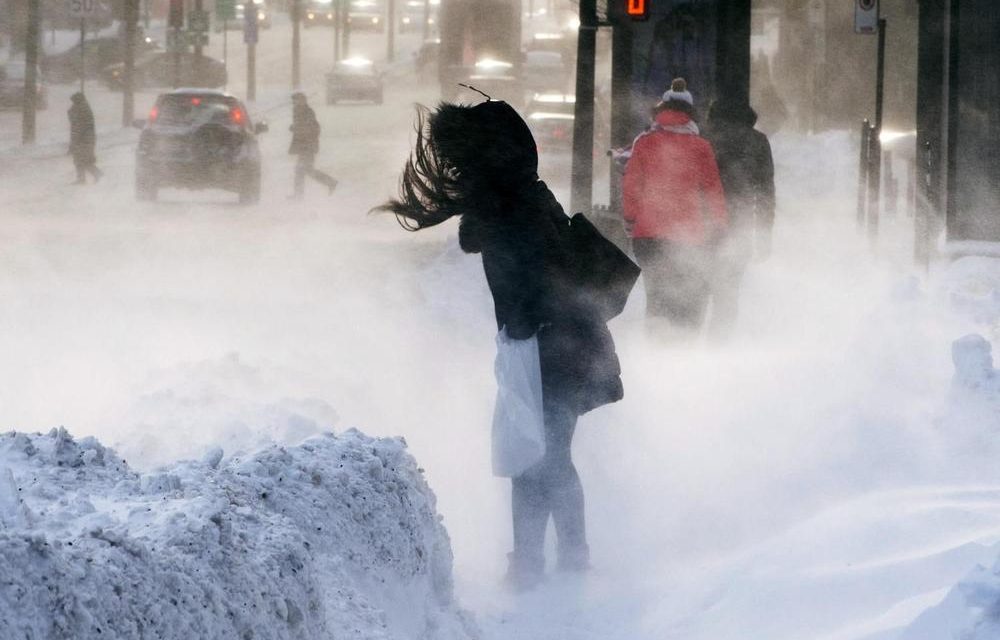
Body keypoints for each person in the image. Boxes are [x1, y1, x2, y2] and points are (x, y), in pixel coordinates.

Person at [378, 99, 636, 590]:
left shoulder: (507, 211)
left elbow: (532, 284)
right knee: (542, 454)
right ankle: (548, 560)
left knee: (539, 456)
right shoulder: (525, 198)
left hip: (553, 348)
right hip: (562, 344)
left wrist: (520, 334)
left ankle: (545, 563)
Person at [622, 78, 727, 332]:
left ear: (661, 112)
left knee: (656, 294)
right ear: (690, 115)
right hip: (688, 236)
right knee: (688, 292)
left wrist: (630, 219)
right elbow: (713, 190)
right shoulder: (701, 147)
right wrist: (719, 226)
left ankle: (657, 350)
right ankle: (684, 351)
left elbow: (632, 185)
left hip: (648, 237)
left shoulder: (644, 143)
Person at [705, 98, 775, 338]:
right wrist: (763, 235)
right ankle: (718, 346)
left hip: (702, 225)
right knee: (727, 293)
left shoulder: (703, 138)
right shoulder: (758, 142)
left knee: (694, 286)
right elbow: (765, 193)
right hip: (738, 227)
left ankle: (685, 348)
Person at [288, 92, 337, 198]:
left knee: (304, 170)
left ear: (302, 101)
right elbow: (301, 127)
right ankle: (299, 194)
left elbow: (309, 128)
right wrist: (295, 127)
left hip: (308, 146)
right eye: (294, 101)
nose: (294, 103)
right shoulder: (299, 111)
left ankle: (330, 182)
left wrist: (295, 128)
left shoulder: (307, 112)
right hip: (304, 146)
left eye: (296, 101)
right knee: (304, 170)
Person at [68, 92, 102, 185]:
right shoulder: (83, 108)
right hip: (86, 139)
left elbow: (78, 127)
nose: (72, 103)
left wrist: (74, 142)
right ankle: (84, 177)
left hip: (83, 139)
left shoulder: (80, 110)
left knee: (81, 160)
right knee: (81, 160)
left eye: (73, 101)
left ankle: (93, 175)